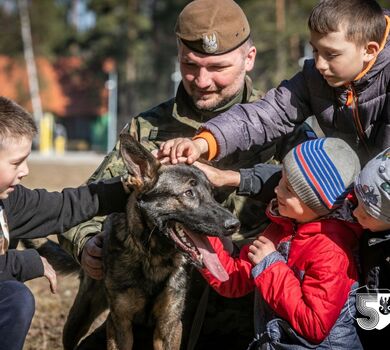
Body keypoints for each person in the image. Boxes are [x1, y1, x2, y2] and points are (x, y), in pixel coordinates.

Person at [60, 0, 314, 348]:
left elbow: (319, 201)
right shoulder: (148, 129)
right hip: (156, 311)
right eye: (190, 65)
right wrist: (87, 242)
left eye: (217, 67)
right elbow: (83, 204)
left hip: (245, 310)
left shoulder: (279, 126)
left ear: (249, 58)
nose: (202, 80)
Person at [159, 0, 390, 168]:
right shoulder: (314, 79)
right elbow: (264, 116)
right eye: (315, 50)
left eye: (331, 54)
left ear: (369, 51)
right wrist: (203, 143)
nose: (318, 63)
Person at [198, 137, 364, 349]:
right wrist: (203, 230)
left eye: (289, 190)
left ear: (316, 203)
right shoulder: (283, 227)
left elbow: (315, 325)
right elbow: (233, 280)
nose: (277, 191)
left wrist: (271, 266)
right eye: (281, 180)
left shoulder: (331, 252)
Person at [0, 96, 128, 350]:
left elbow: (62, 207)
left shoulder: (10, 200)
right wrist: (24, 262)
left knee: (14, 297)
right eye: (16, 163)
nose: (25, 170)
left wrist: (125, 189)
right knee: (16, 298)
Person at [352, 147, 390, 348]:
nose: (355, 213)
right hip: (370, 312)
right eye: (357, 202)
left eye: (366, 213)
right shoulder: (373, 230)